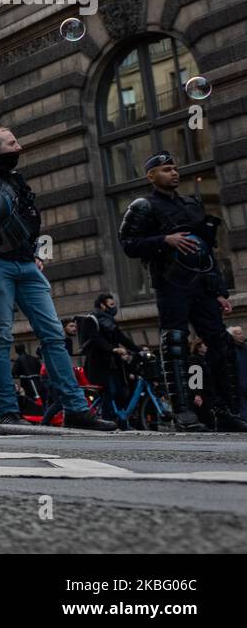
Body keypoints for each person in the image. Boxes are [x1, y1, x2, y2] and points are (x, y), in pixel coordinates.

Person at [0, 126, 115, 430]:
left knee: (54, 335)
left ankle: (76, 410)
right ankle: (8, 410)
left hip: (28, 267)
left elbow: (27, 222)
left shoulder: (16, 181)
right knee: (1, 335)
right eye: (12, 142)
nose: (19, 146)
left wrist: (35, 254)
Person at [119, 152, 247, 432]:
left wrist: (219, 290)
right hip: (171, 284)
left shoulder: (192, 205)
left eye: (175, 168)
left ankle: (224, 409)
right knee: (175, 344)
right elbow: (128, 243)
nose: (174, 173)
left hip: (201, 285)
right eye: (166, 169)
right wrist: (164, 239)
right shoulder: (144, 206)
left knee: (221, 344)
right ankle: (183, 411)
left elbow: (206, 251)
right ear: (151, 176)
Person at [78, 294, 141, 428]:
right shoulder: (92, 319)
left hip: (114, 365)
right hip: (98, 364)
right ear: (102, 305)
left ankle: (121, 420)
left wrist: (138, 349)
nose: (114, 308)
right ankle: (107, 419)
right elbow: (96, 339)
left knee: (121, 391)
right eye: (111, 305)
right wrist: (113, 349)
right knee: (108, 391)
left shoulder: (110, 321)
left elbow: (121, 337)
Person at [41, 317, 80, 425]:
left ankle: (48, 424)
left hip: (49, 374)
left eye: (75, 326)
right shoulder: (61, 340)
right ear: (63, 328)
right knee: (59, 402)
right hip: (51, 374)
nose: (74, 329)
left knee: (53, 401)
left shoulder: (66, 340)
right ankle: (43, 424)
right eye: (71, 326)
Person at [229, 326, 247, 420]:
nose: (242, 335)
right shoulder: (230, 350)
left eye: (241, 333)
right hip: (238, 385)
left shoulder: (245, 348)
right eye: (239, 334)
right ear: (232, 336)